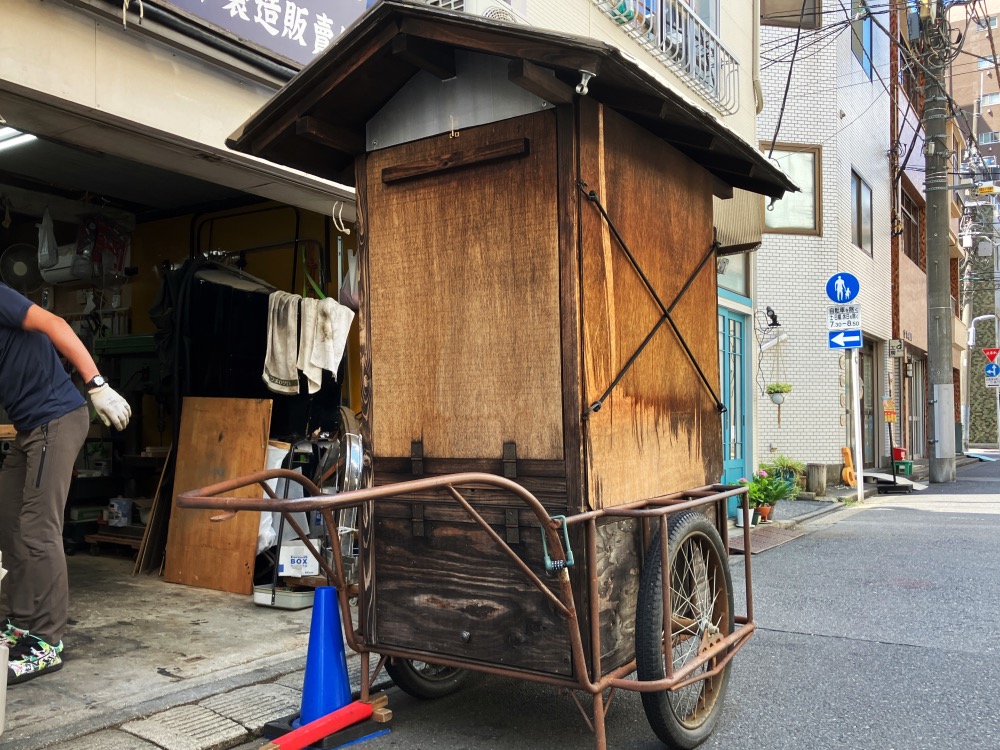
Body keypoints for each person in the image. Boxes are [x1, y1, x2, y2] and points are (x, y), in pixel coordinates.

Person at [0, 281, 131, 684]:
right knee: (9, 521)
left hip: (56, 418)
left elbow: (55, 323)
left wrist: (97, 385)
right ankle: (21, 621)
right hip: (26, 428)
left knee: (39, 529)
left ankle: (46, 641)